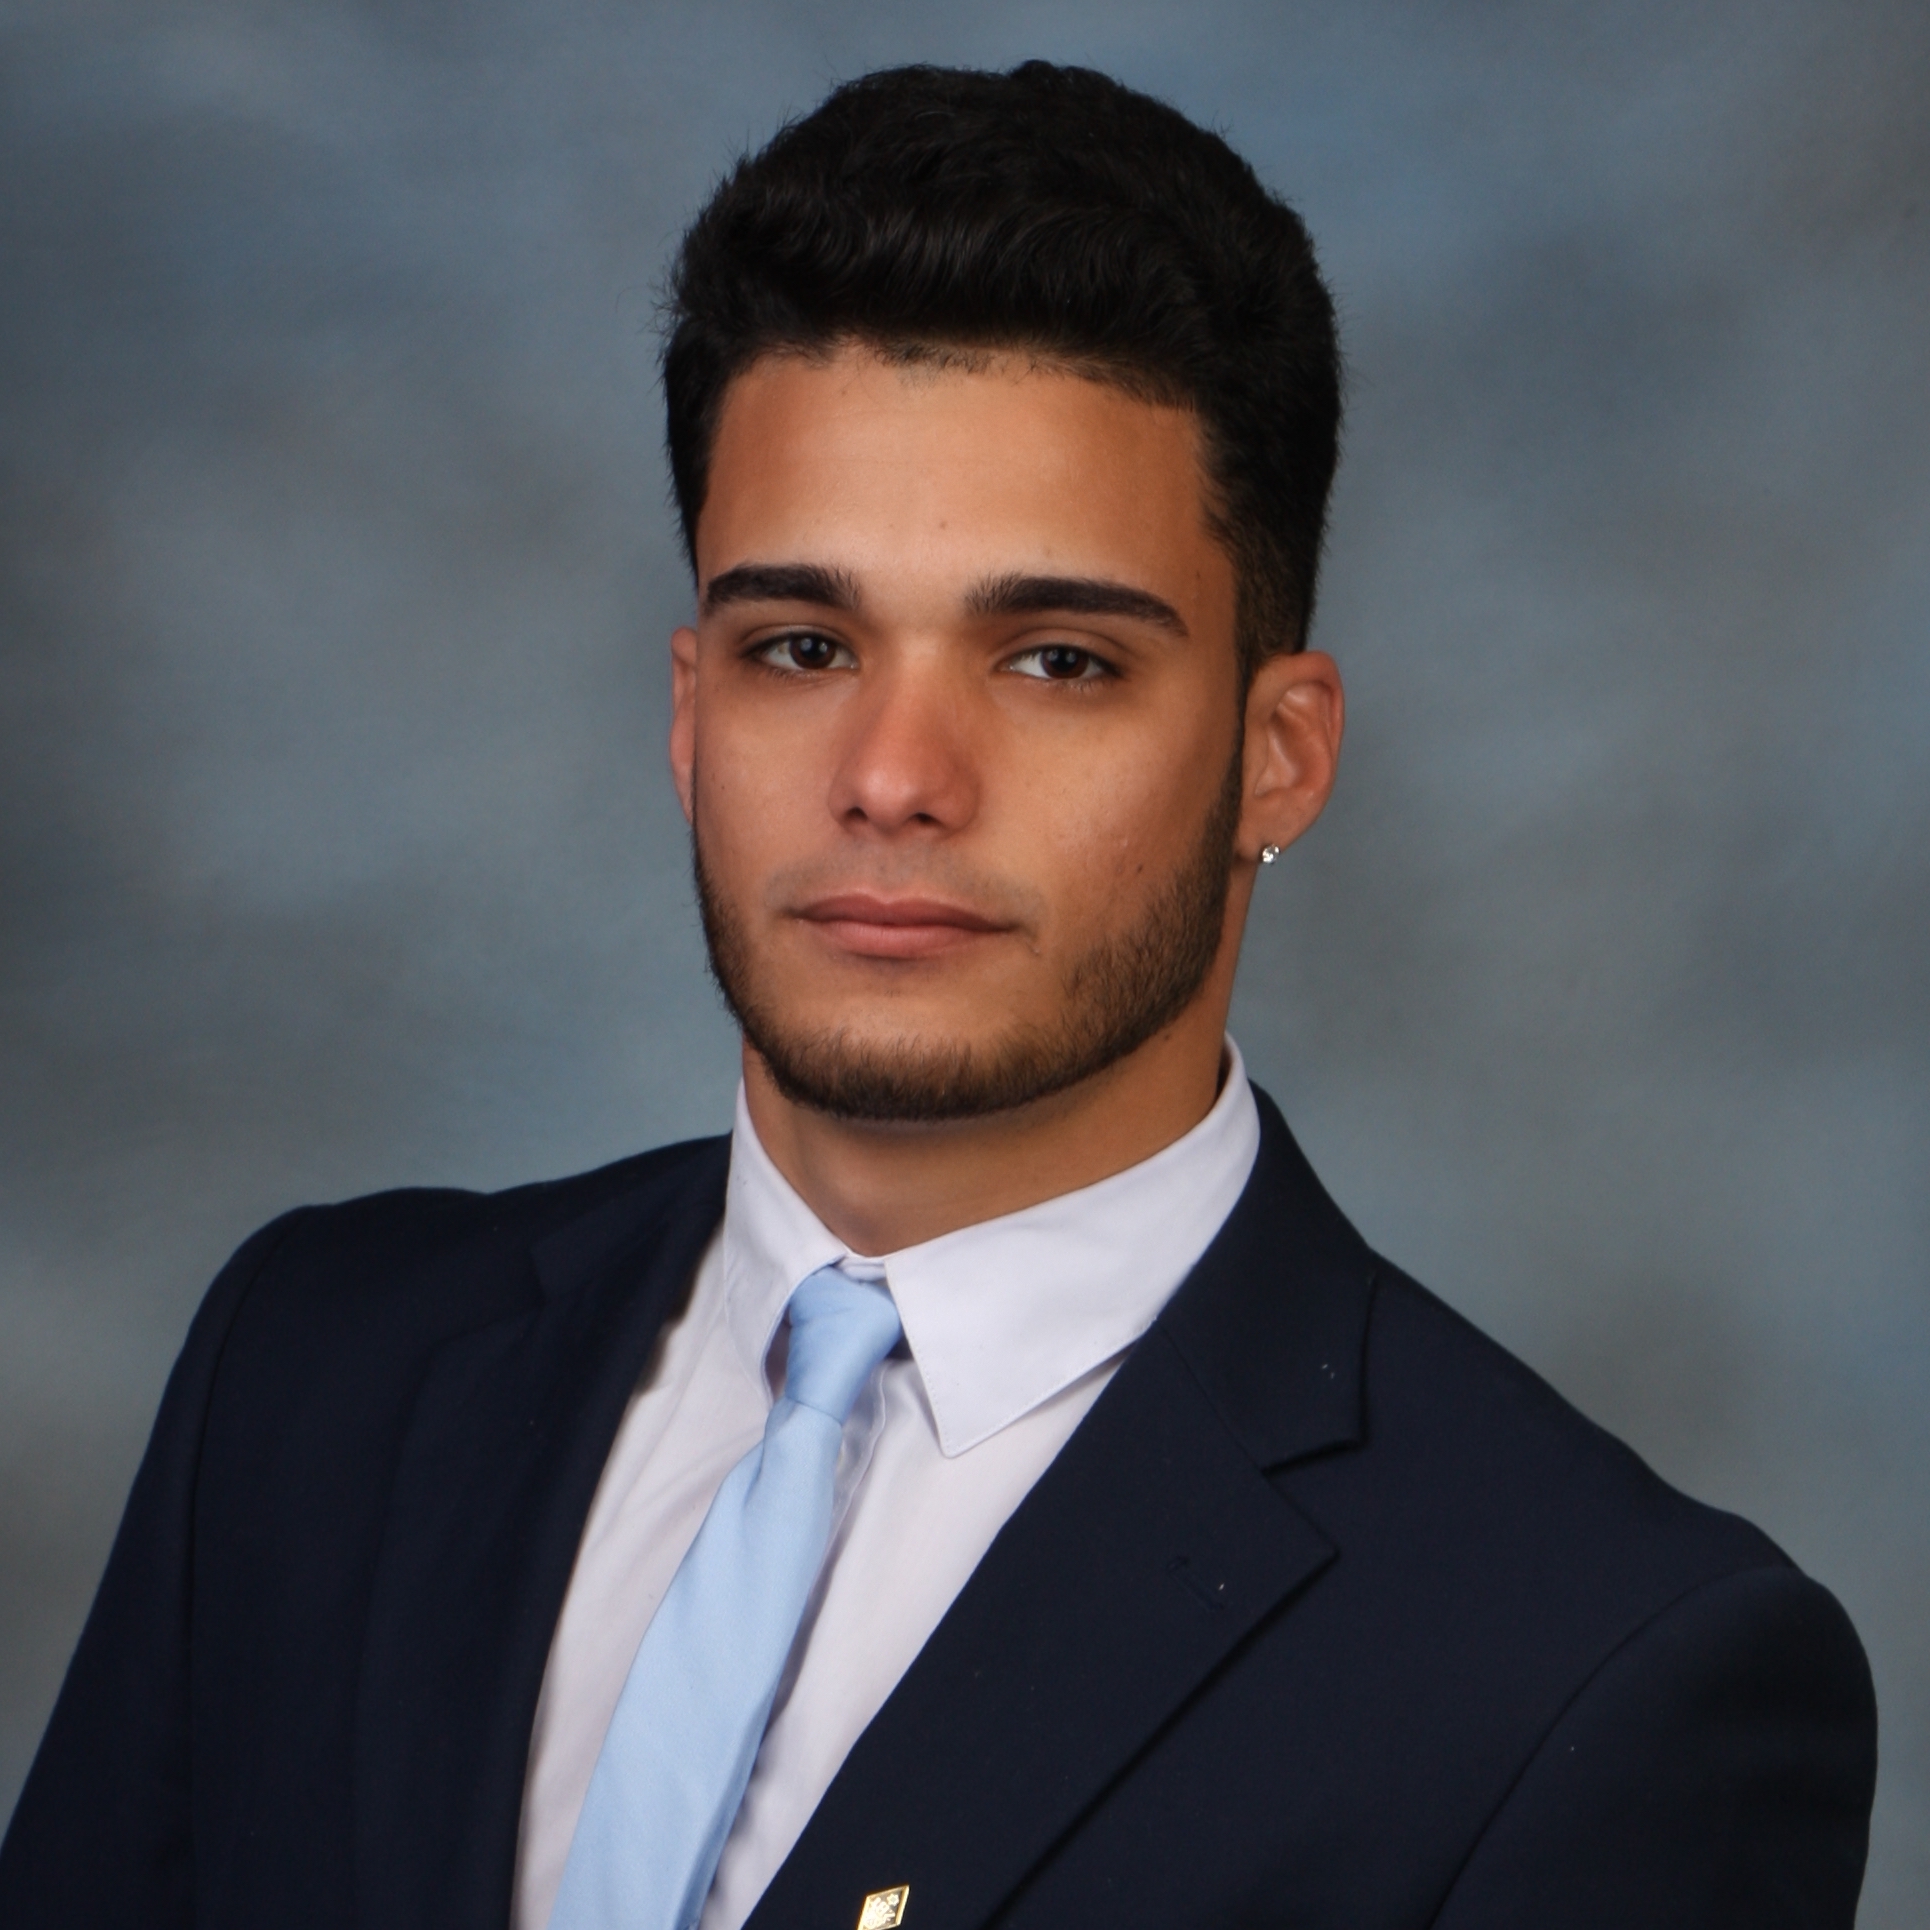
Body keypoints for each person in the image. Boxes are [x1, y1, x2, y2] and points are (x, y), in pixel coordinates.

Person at [0, 60, 1877, 1930]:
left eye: (1056, 659)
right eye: (800, 646)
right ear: (687, 712)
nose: (893, 775)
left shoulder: (1593, 1674)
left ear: (1278, 753)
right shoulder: (315, 1377)